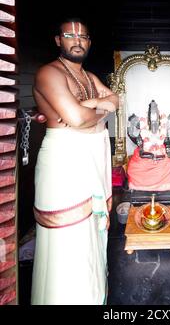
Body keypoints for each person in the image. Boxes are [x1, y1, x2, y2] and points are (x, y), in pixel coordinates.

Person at [31, 17, 119, 305]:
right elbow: (77, 119)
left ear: (89, 42)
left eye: (83, 36)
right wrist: (92, 110)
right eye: (69, 35)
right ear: (59, 40)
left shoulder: (89, 77)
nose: (77, 40)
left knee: (91, 232)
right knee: (69, 238)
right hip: (64, 161)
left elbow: (116, 100)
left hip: (91, 156)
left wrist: (91, 106)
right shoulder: (49, 73)